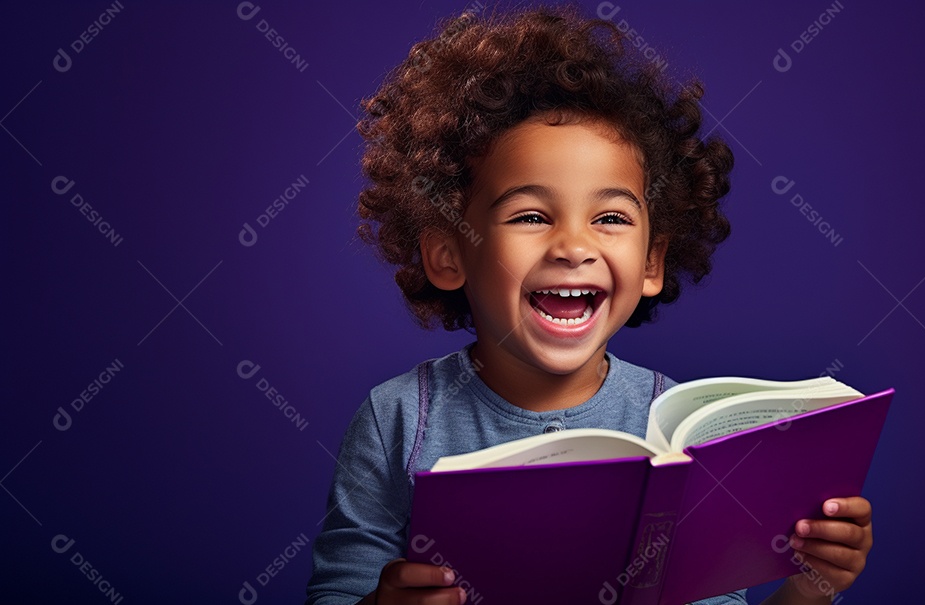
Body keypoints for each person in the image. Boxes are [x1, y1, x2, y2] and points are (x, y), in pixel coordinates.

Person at [307, 5, 872, 604]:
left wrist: (812, 584)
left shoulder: (674, 431)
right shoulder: (397, 419)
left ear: (651, 263)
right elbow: (338, 594)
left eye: (609, 218)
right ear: (449, 253)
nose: (575, 246)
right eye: (530, 215)